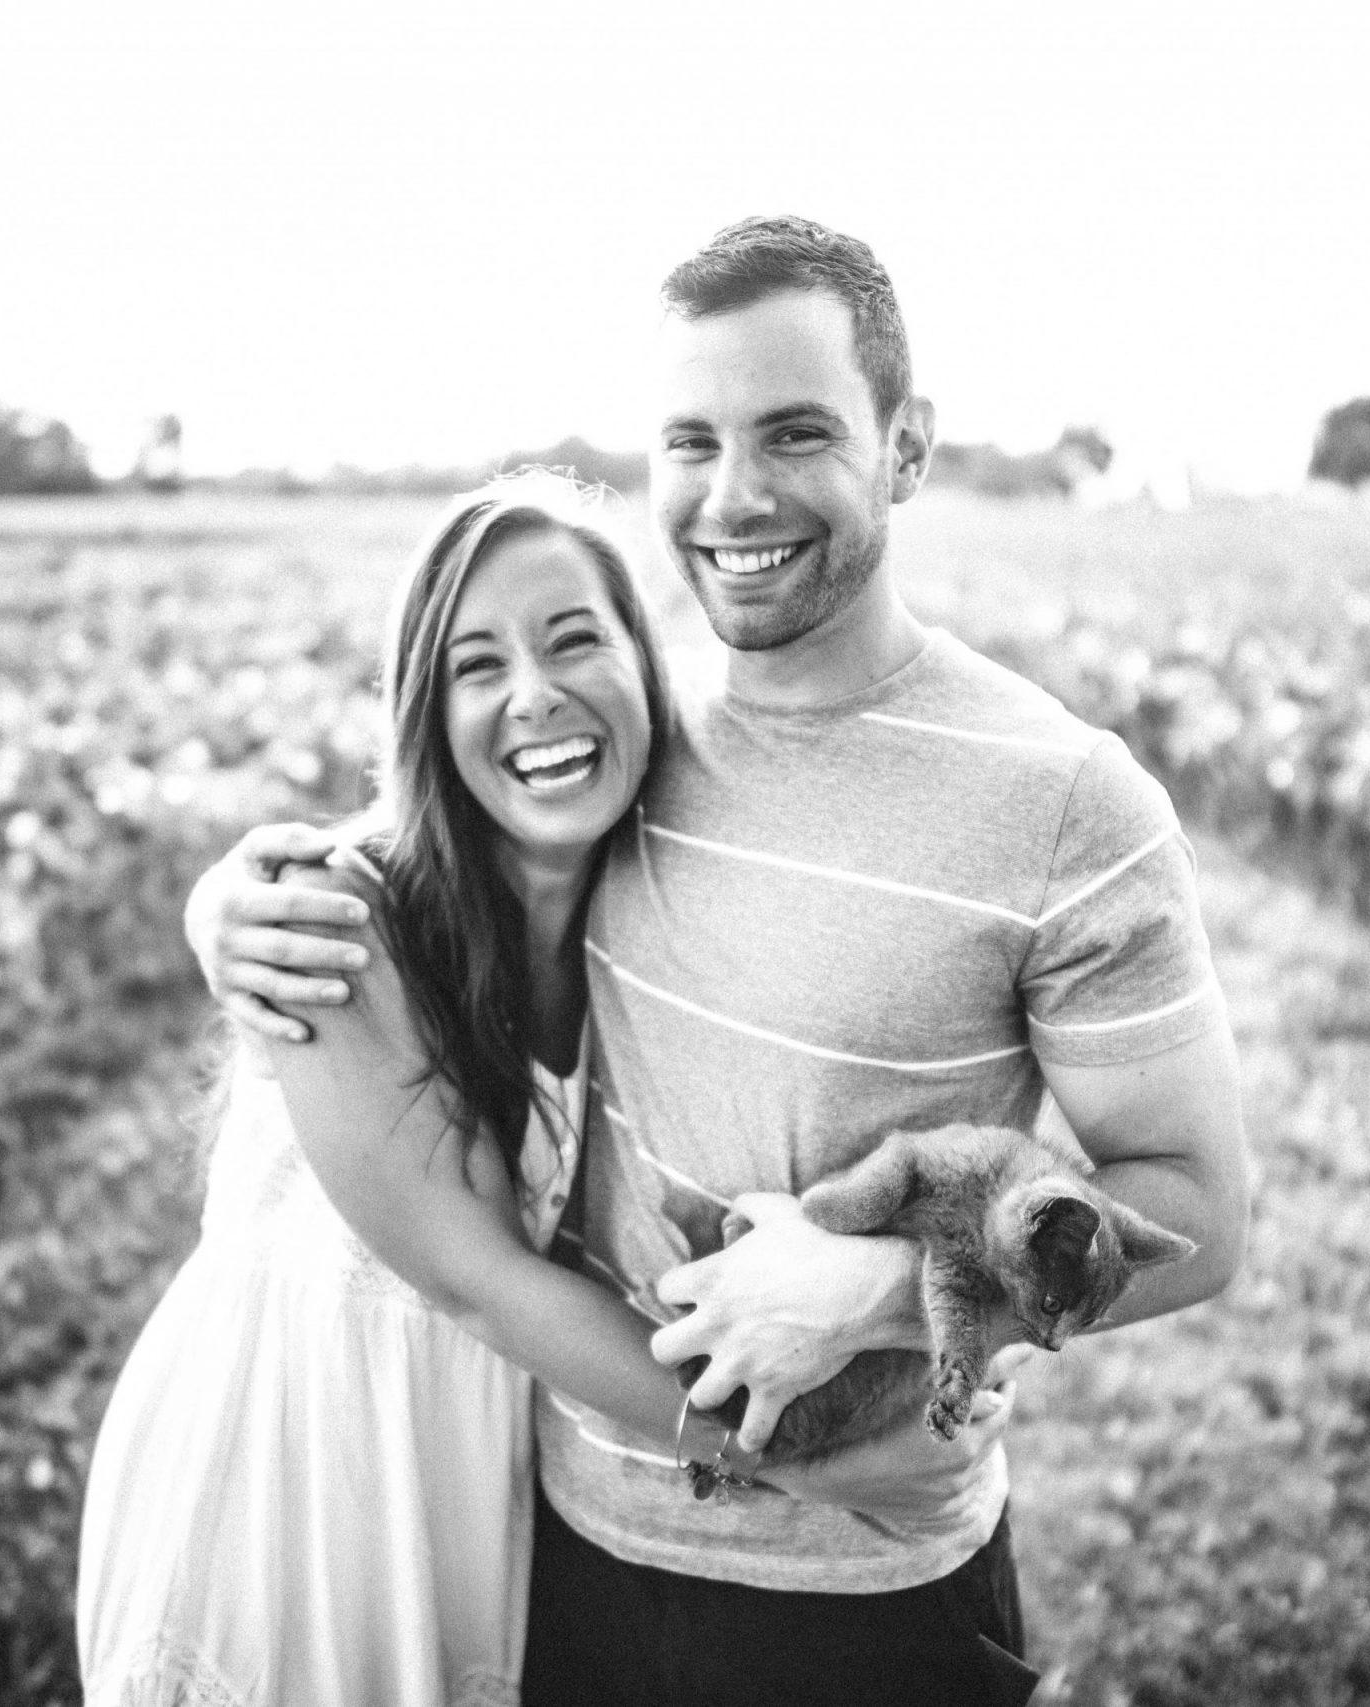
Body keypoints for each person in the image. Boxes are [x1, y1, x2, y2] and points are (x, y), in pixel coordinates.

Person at [190, 217, 1253, 1705]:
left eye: (795, 431)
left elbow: (1199, 1212)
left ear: (906, 445)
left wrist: (883, 1288)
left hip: (869, 1584)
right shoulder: (634, 734)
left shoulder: (1066, 800)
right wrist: (230, 901)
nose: (734, 493)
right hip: (568, 1544)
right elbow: (425, 849)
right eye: (691, 439)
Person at [77, 473, 1005, 1707]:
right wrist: (815, 1468)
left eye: (574, 640)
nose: (535, 695)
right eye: (477, 666)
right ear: (426, 712)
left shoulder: (643, 905)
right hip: (295, 1471)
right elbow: (476, 1279)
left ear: (643, 664)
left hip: (476, 1476)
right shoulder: (339, 922)